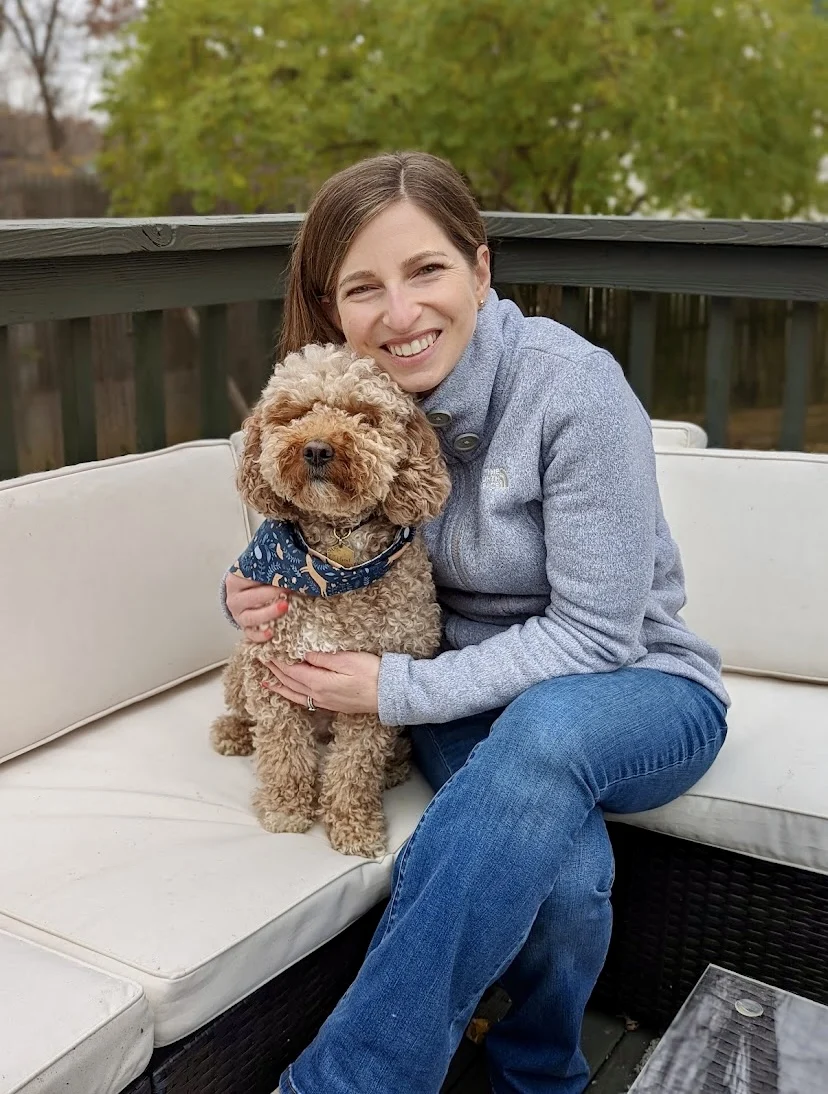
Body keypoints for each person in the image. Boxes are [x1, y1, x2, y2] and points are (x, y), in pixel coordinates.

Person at [223, 151, 729, 1094]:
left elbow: (595, 639)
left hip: (638, 687)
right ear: (336, 309)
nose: (401, 313)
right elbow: (310, 534)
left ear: (481, 270)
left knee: (549, 722)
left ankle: (349, 1082)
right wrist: (252, 591)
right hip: (468, 693)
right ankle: (540, 1078)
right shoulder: (362, 403)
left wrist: (399, 689)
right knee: (566, 881)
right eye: (365, 287)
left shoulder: (573, 388)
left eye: (427, 271)